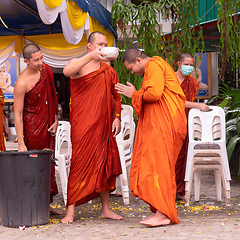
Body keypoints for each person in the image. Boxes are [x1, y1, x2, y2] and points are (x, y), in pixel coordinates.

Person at [115, 48, 187, 227]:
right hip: (163, 122)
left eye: (131, 68)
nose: (132, 72)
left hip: (165, 123)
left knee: (160, 165)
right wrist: (138, 92)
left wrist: (134, 94)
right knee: (157, 164)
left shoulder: (154, 64)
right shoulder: (155, 66)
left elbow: (154, 94)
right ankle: (160, 211)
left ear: (138, 60)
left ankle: (163, 214)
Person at [61, 31, 123, 223]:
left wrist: (117, 117)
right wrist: (90, 57)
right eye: (100, 44)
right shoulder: (80, 63)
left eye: (106, 44)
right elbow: (66, 71)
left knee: (104, 163)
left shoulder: (108, 70)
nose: (103, 47)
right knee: (79, 162)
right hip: (83, 124)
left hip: (104, 125)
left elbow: (116, 96)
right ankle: (70, 211)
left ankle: (106, 209)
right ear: (90, 46)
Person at [14, 43, 60, 214]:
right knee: (34, 168)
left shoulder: (46, 70)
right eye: (36, 60)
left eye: (42, 58)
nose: (41, 62)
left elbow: (53, 95)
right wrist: (20, 142)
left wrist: (55, 119)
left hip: (48, 126)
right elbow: (18, 114)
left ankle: (46, 204)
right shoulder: (21, 83)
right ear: (26, 61)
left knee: (48, 166)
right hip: (32, 130)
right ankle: (34, 205)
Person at [175, 53, 210, 200]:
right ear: (179, 64)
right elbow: (175, 101)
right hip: (169, 121)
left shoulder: (193, 83)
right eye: (186, 64)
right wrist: (198, 105)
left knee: (183, 157)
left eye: (191, 65)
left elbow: (187, 103)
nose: (189, 67)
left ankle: (179, 190)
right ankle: (167, 190)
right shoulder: (169, 79)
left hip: (185, 122)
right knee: (170, 157)